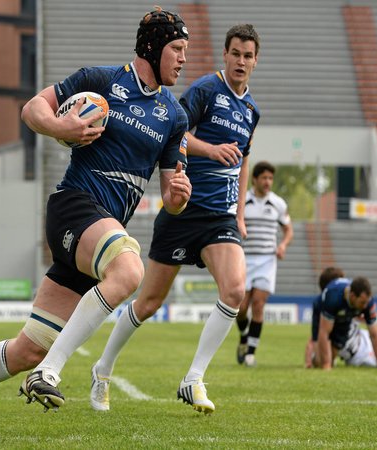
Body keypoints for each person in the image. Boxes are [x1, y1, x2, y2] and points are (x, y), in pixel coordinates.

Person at [0, 6, 191, 430]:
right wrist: (62, 127)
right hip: (73, 207)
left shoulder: (175, 116)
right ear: (153, 48)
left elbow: (171, 195)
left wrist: (178, 198)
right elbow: (32, 108)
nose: (183, 58)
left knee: (29, 348)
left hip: (99, 234)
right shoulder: (100, 81)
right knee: (130, 269)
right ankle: (50, 373)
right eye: (177, 48)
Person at [89, 24, 261, 414]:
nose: (241, 61)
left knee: (235, 291)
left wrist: (239, 213)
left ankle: (193, 378)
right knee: (148, 302)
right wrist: (211, 150)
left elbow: (245, 160)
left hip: (220, 218)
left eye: (248, 55)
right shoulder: (205, 90)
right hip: (184, 210)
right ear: (225, 54)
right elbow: (175, 132)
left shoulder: (252, 110)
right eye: (235, 53)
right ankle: (103, 368)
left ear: (256, 61)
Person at [235, 161, 293, 367]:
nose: (268, 182)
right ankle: (244, 335)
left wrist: (283, 245)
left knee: (259, 304)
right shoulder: (243, 201)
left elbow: (288, 229)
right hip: (244, 259)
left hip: (267, 260)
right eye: (264, 178)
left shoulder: (278, 203)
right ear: (254, 179)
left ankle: (250, 354)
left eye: (270, 178)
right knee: (241, 308)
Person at [305, 267, 377, 369]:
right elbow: (322, 332)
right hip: (357, 353)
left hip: (360, 336)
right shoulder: (332, 299)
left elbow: (375, 334)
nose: (365, 306)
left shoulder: (365, 303)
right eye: (362, 303)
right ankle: (318, 358)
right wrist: (325, 364)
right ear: (353, 296)